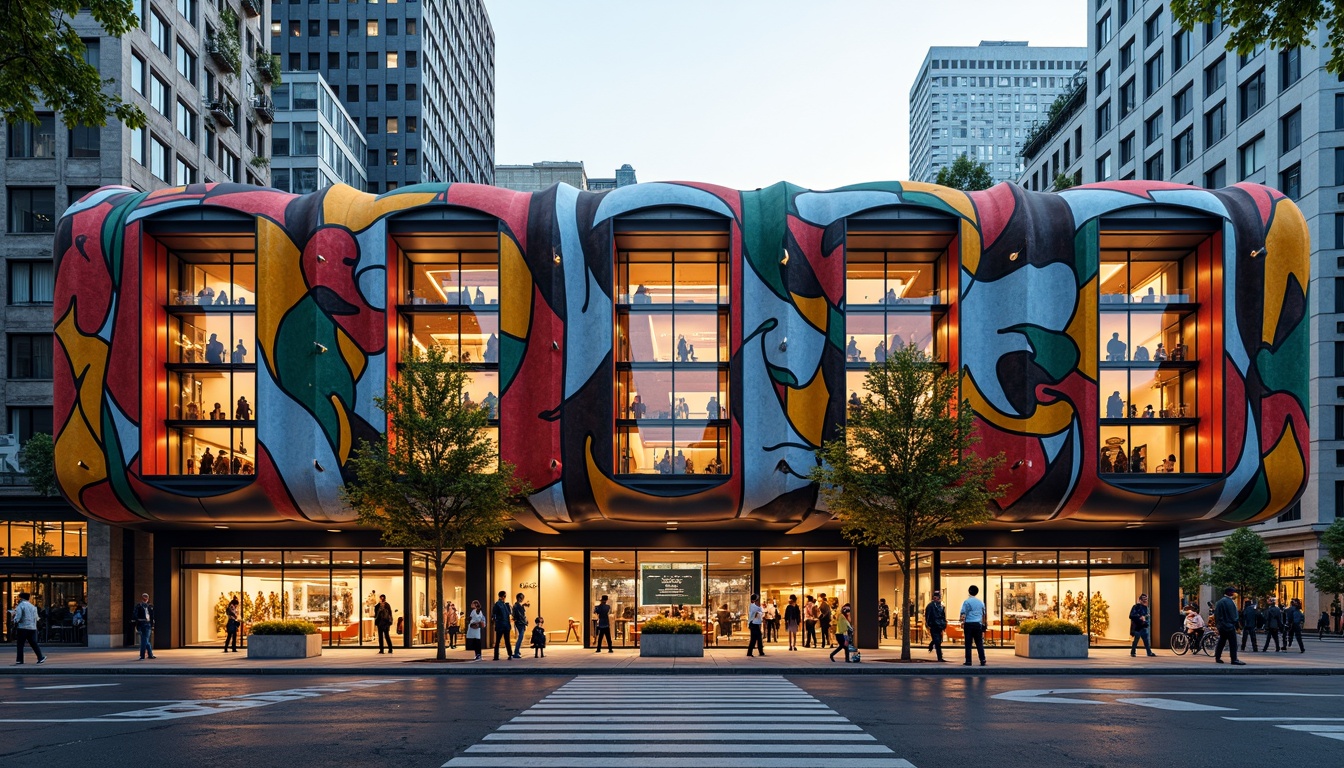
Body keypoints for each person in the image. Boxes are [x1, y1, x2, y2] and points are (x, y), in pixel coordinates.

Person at [10, 592, 45, 666]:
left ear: (22, 598)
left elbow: (19, 616)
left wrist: (14, 619)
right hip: (32, 628)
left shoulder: (21, 605)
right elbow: (37, 618)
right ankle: (40, 657)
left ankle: (19, 660)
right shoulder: (33, 607)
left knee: (20, 644)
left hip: (23, 627)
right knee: (33, 643)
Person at [1213, 587, 1245, 665]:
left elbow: (1216, 615)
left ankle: (1217, 657)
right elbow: (1234, 616)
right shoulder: (1229, 602)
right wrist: (1236, 625)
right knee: (1233, 643)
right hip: (1229, 625)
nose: (1234, 594)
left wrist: (1218, 625)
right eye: (1233, 592)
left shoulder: (1219, 602)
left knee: (1222, 641)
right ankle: (1234, 659)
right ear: (1230, 593)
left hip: (1222, 625)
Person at [960, 584, 987, 667]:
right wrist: (984, 624)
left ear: (969, 591)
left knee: (968, 643)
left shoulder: (967, 602)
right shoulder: (981, 602)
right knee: (979, 642)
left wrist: (962, 622)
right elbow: (984, 614)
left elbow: (963, 613)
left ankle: (968, 661)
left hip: (969, 624)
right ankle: (982, 659)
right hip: (978, 624)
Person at [924, 591, 948, 661]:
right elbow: (927, 616)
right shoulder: (930, 606)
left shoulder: (941, 606)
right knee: (937, 641)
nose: (936, 598)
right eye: (935, 596)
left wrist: (944, 624)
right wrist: (928, 624)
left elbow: (943, 616)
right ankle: (940, 657)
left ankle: (932, 644)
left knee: (939, 640)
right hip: (934, 625)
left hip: (939, 625)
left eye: (937, 596)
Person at [133, 592, 156, 660]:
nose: (145, 598)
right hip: (141, 623)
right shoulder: (138, 606)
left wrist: (152, 624)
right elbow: (135, 614)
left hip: (148, 624)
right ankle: (148, 655)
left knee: (145, 640)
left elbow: (152, 616)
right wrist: (137, 620)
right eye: (144, 597)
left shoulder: (150, 606)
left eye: (146, 597)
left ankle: (144, 655)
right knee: (145, 640)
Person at [492, 591, 512, 660]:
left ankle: (497, 656)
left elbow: (494, 615)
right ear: (502, 596)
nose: (505, 598)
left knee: (499, 641)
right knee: (504, 641)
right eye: (504, 596)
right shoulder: (501, 605)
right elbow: (494, 615)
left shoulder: (501, 605)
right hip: (503, 625)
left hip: (502, 625)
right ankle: (509, 654)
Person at [511, 593, 528, 660]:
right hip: (520, 623)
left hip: (520, 623)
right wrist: (525, 622)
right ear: (518, 598)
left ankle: (517, 651)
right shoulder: (517, 606)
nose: (522, 599)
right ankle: (516, 652)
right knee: (520, 637)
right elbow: (520, 616)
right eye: (521, 598)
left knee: (520, 637)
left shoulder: (517, 606)